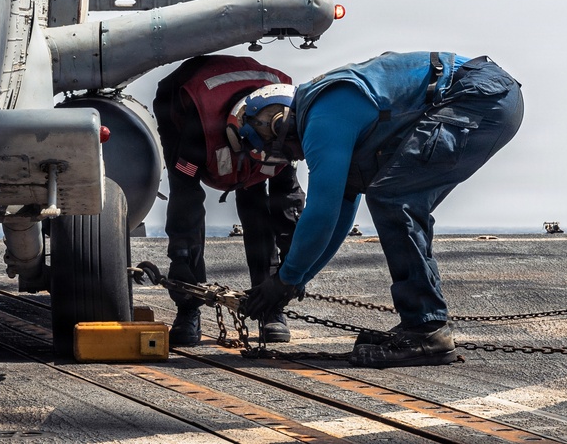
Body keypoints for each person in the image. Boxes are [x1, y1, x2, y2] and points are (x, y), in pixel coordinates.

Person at [238, 51, 524, 367]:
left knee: (392, 197)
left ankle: (427, 328)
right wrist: (294, 281)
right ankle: (423, 324)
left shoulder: (321, 117)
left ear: (279, 125)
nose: (295, 157)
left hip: (478, 97)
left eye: (279, 151)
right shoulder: (325, 110)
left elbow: (321, 213)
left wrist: (284, 279)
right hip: (488, 95)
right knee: (395, 196)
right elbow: (338, 218)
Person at [153, 55, 305, 346]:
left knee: (259, 204)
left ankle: (269, 307)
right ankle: (188, 309)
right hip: (186, 106)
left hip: (245, 123)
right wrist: (181, 259)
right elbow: (187, 198)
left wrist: (296, 261)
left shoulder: (290, 122)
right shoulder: (195, 133)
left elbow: (287, 199)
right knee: (188, 210)